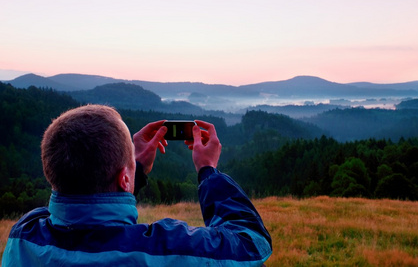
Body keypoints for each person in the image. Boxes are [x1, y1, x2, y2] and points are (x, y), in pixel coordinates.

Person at [2, 104, 272, 266]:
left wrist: (134, 169)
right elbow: (252, 243)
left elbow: (83, 209)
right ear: (123, 178)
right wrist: (208, 170)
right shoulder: (162, 249)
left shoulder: (23, 236)